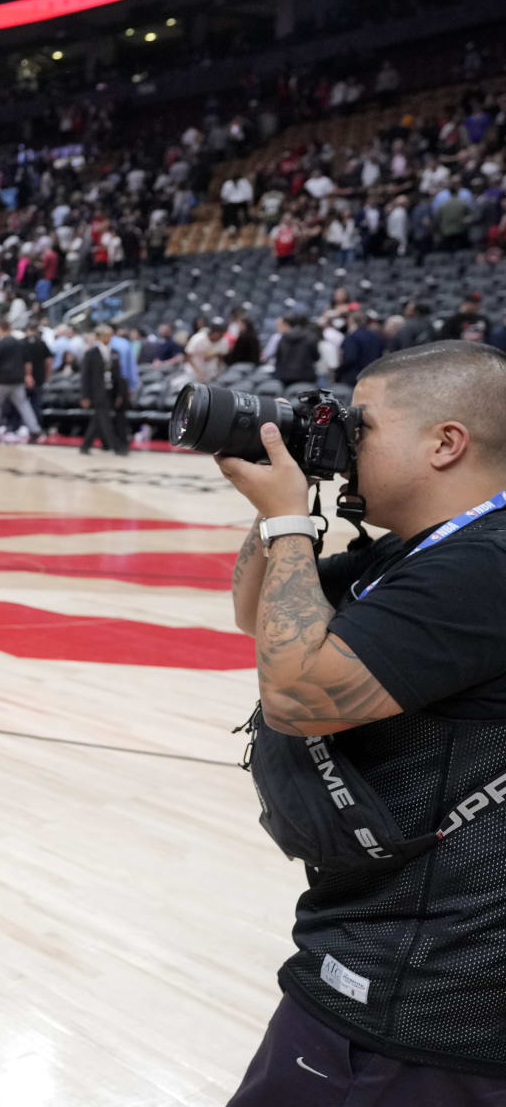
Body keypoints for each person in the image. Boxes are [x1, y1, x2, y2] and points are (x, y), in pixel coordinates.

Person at [218, 342, 506, 1104]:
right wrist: (282, 509)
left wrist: (287, 517)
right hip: (396, 945)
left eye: (362, 426)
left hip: (431, 988)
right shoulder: (423, 552)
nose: (344, 442)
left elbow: (299, 691)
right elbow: (260, 617)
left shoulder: (487, 565)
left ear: (446, 443)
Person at [78, 324, 129, 457]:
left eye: (110, 335)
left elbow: (117, 375)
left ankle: (85, 446)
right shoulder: (91, 353)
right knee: (105, 421)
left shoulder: (114, 353)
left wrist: (119, 394)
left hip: (111, 390)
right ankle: (117, 447)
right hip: (97, 392)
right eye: (106, 335)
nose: (109, 338)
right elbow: (85, 376)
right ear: (99, 336)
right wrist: (85, 396)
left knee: (97, 420)